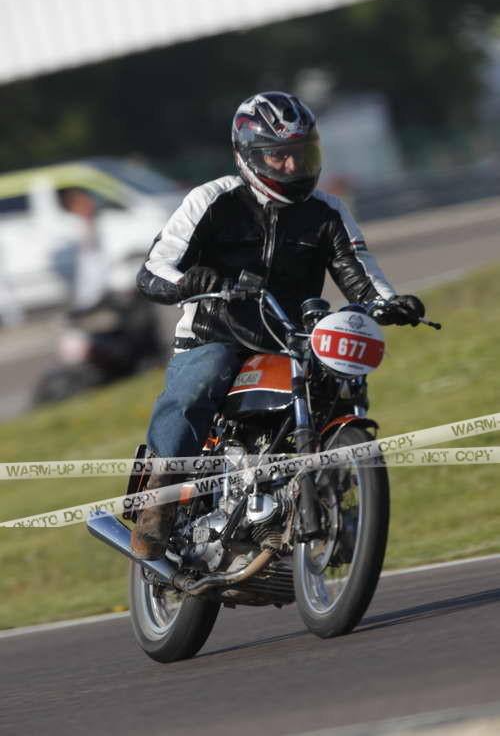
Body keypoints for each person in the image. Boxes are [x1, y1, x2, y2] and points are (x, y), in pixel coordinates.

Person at [131, 91, 425, 559]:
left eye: (301, 153)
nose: (292, 166)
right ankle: (160, 500)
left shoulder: (327, 211)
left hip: (292, 339)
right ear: (247, 155)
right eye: (278, 155)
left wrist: (388, 303)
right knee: (201, 377)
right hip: (215, 335)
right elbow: (154, 268)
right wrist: (188, 282)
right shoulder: (212, 200)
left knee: (336, 382)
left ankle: (331, 501)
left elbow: (358, 269)